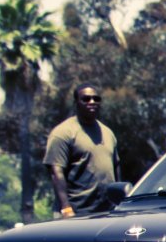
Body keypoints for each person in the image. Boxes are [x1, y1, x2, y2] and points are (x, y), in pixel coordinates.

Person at [45, 85, 120, 217]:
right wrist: (66, 208)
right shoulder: (63, 133)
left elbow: (116, 167)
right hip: (77, 213)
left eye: (96, 99)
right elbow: (56, 172)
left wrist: (120, 201)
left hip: (108, 211)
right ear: (76, 103)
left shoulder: (108, 133)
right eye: (86, 99)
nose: (92, 102)